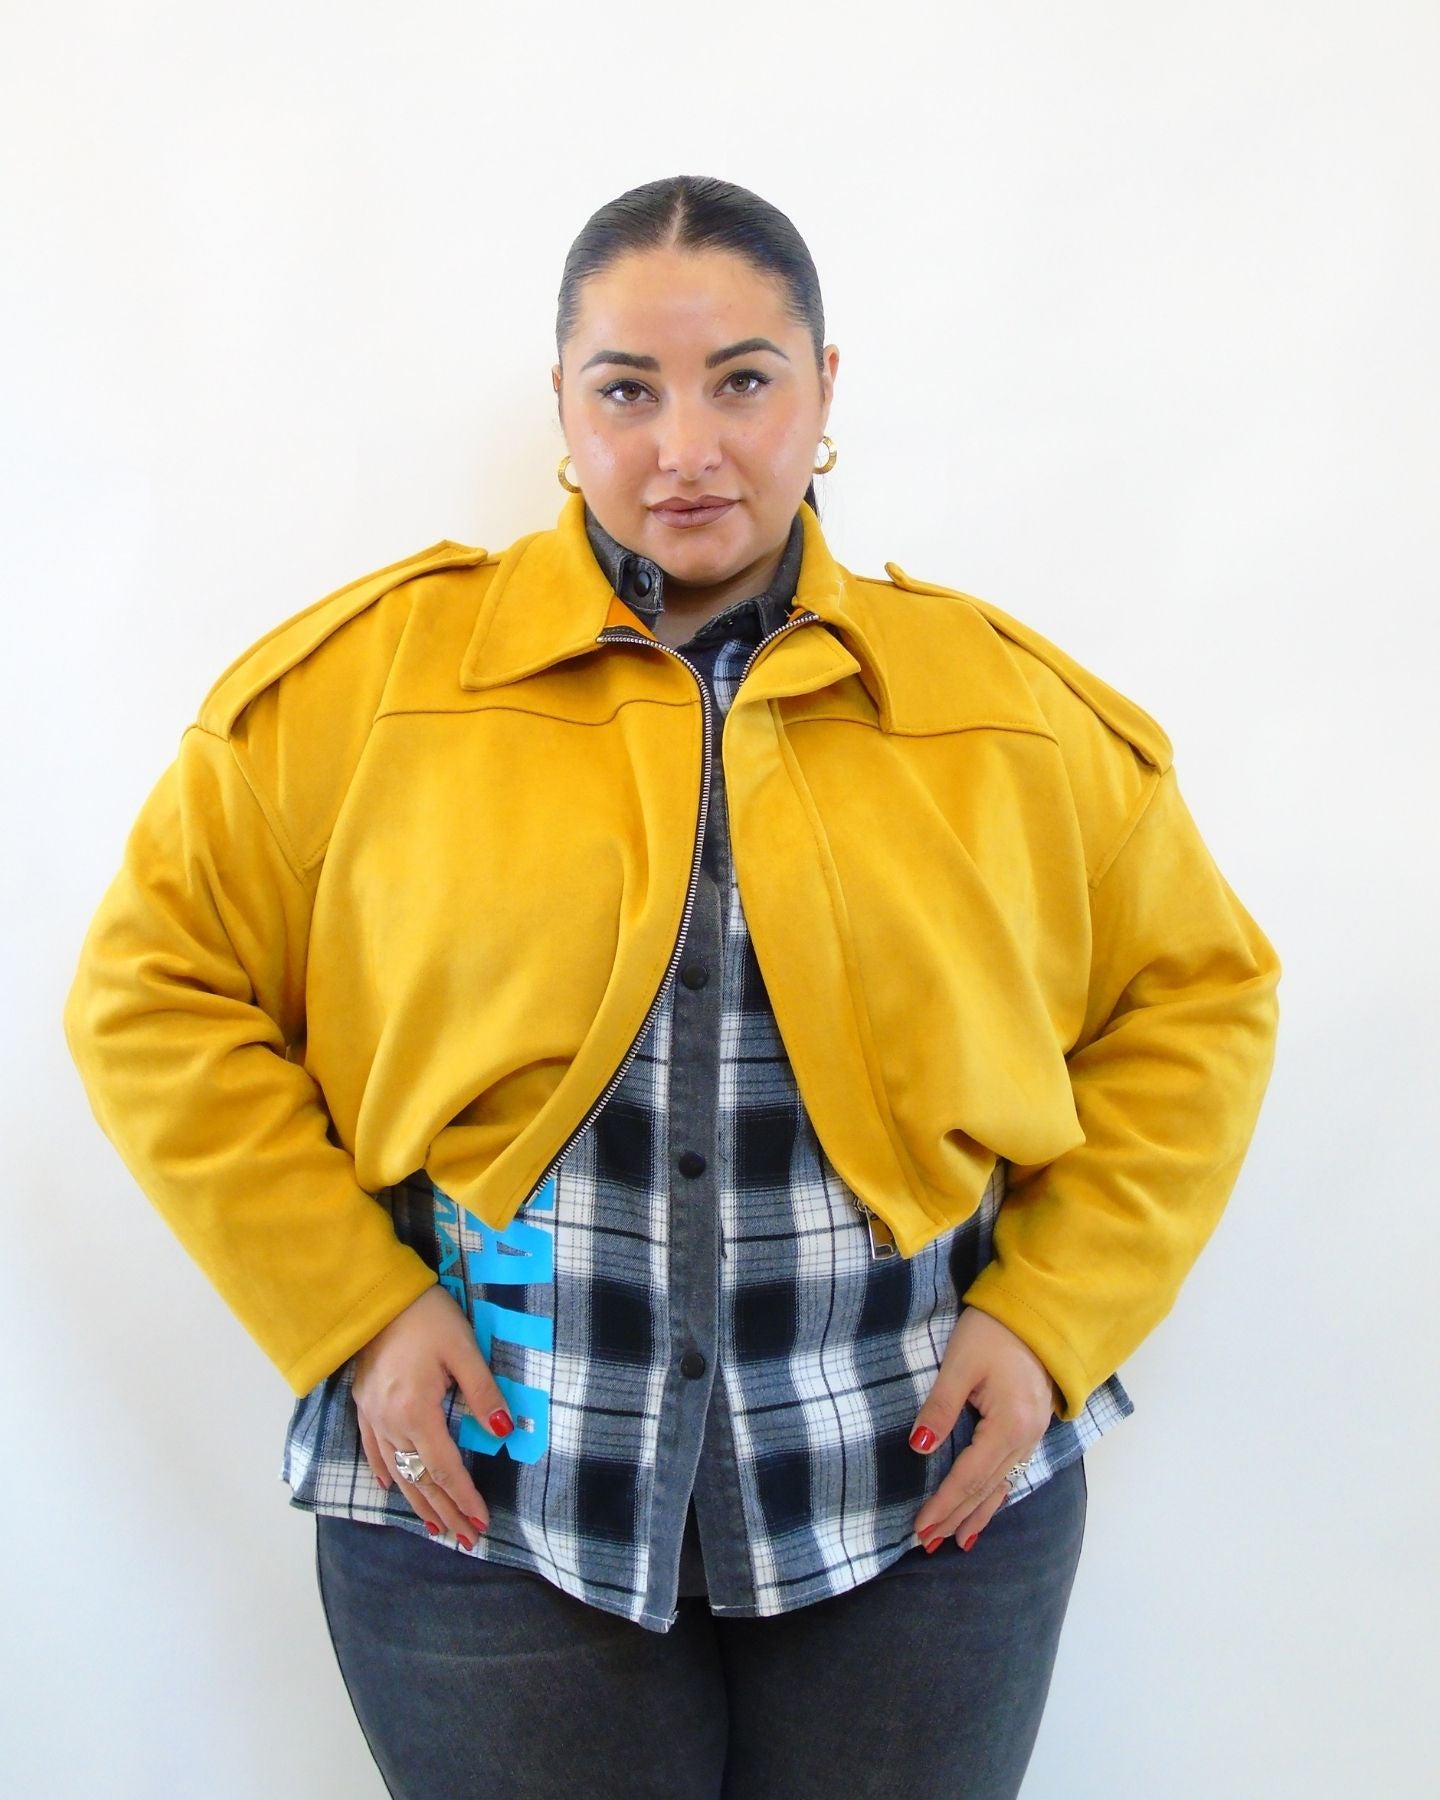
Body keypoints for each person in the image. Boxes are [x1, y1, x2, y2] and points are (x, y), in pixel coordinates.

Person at [63, 174, 1281, 1799]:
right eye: (628, 390)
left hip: (915, 1502)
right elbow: (152, 991)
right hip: (491, 1505)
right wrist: (349, 1307)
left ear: (825, 390)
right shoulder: (360, 692)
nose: (685, 447)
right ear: (563, 408)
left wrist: (1055, 1319)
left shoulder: (1007, 708)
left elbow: (1198, 1003)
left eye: (744, 381)